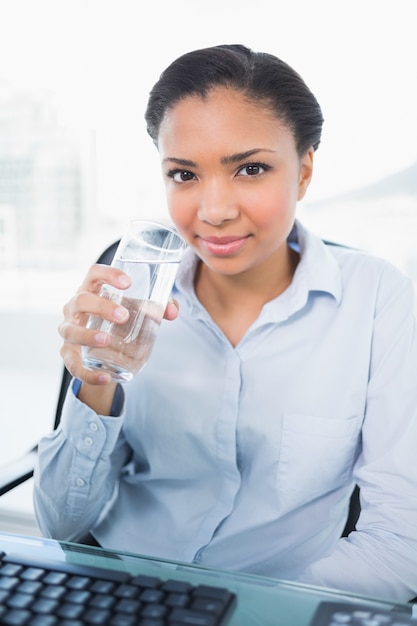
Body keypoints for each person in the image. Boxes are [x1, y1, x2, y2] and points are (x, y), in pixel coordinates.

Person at [34, 44, 417, 603]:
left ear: (305, 169)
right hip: (119, 592)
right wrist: (95, 384)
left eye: (251, 169)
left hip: (277, 607)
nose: (213, 210)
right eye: (184, 174)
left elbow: (399, 544)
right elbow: (60, 526)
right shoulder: (129, 291)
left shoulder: (376, 298)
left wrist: (243, 613)